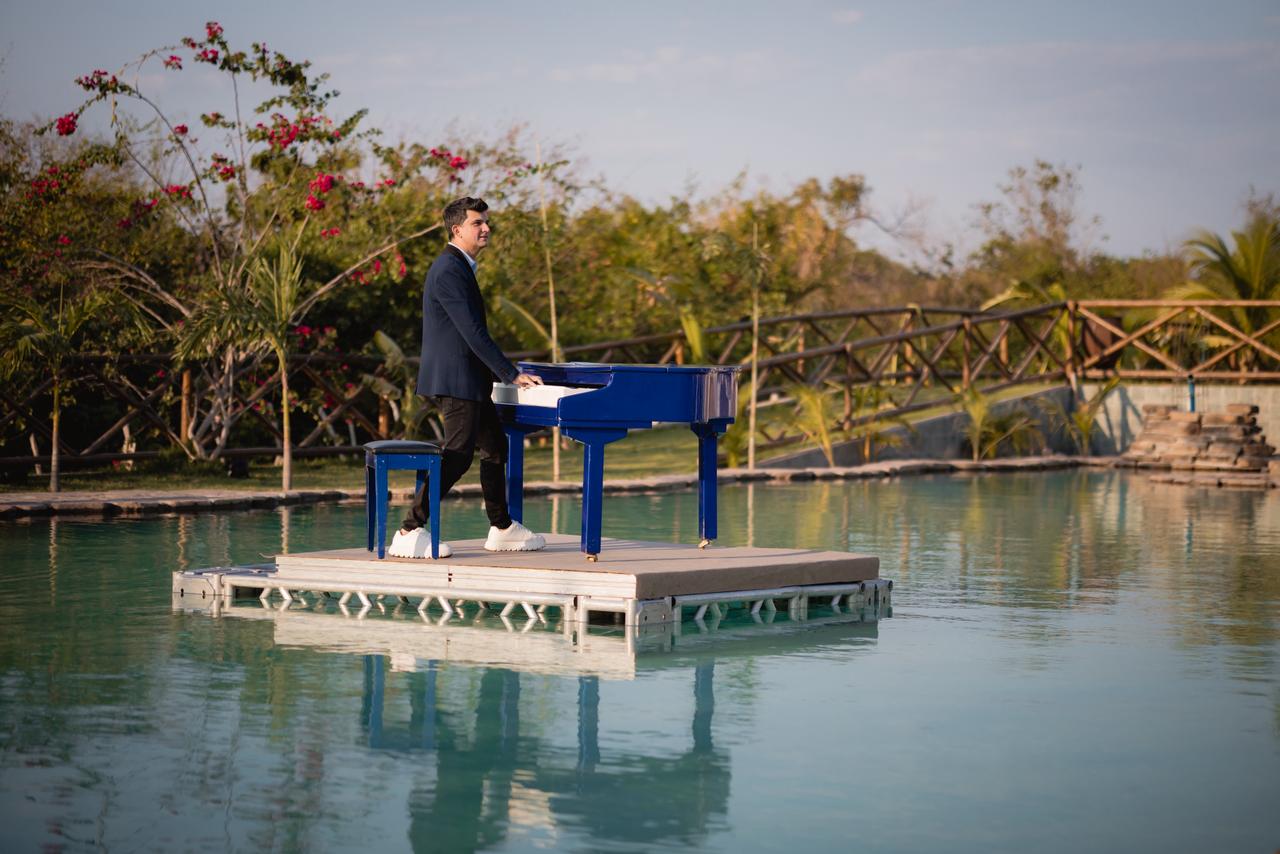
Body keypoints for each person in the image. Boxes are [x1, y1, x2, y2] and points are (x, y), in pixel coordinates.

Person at [389, 197, 547, 559]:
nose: (486, 228)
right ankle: (409, 530)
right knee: (458, 455)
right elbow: (472, 332)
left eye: (486, 222)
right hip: (456, 379)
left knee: (494, 448)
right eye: (478, 223)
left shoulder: (459, 266)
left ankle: (502, 527)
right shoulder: (448, 269)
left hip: (469, 379)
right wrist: (511, 374)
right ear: (457, 229)